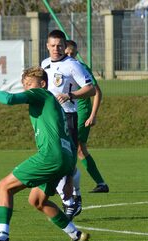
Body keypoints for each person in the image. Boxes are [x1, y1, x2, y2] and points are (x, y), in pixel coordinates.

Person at [0, 66, 90, 241]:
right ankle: (76, 234)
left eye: (30, 84)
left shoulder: (41, 94)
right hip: (65, 159)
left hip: (50, 157)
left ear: (42, 84)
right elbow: (68, 139)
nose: (27, 88)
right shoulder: (54, 106)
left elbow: (9, 99)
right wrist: (68, 176)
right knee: (38, 201)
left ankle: (1, 239)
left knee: (4, 186)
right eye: (24, 84)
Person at [41, 29, 96, 220]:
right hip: (49, 119)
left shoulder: (72, 65)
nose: (56, 49)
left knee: (67, 161)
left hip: (68, 118)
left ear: (65, 47)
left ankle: (72, 200)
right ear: (47, 46)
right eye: (53, 45)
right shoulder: (45, 64)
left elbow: (90, 89)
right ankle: (73, 198)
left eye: (60, 46)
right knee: (55, 159)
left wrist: (70, 95)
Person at [65, 40, 109, 193]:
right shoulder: (60, 68)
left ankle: (68, 185)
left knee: (76, 148)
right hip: (68, 112)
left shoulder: (81, 67)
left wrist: (93, 115)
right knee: (77, 149)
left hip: (81, 113)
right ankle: (100, 184)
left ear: (77, 53)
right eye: (67, 53)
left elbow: (97, 92)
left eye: (73, 53)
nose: (70, 56)